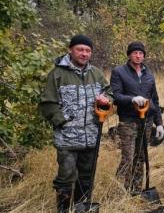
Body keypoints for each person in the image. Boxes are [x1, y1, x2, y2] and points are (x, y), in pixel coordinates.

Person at [39, 34, 113, 213]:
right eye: (80, 49)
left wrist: (106, 98)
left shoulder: (95, 73)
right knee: (66, 177)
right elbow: (47, 104)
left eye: (88, 50)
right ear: (70, 50)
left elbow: (109, 92)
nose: (84, 54)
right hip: (68, 139)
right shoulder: (57, 74)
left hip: (91, 137)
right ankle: (64, 210)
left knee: (86, 177)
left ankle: (82, 208)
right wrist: (63, 122)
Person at [110, 41, 164, 194]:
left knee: (141, 156)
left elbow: (155, 100)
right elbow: (115, 95)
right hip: (128, 120)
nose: (138, 56)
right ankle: (121, 189)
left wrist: (159, 123)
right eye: (135, 53)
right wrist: (131, 99)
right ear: (129, 55)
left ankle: (136, 190)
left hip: (146, 120)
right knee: (128, 157)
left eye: (141, 53)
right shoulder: (119, 72)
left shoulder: (149, 74)